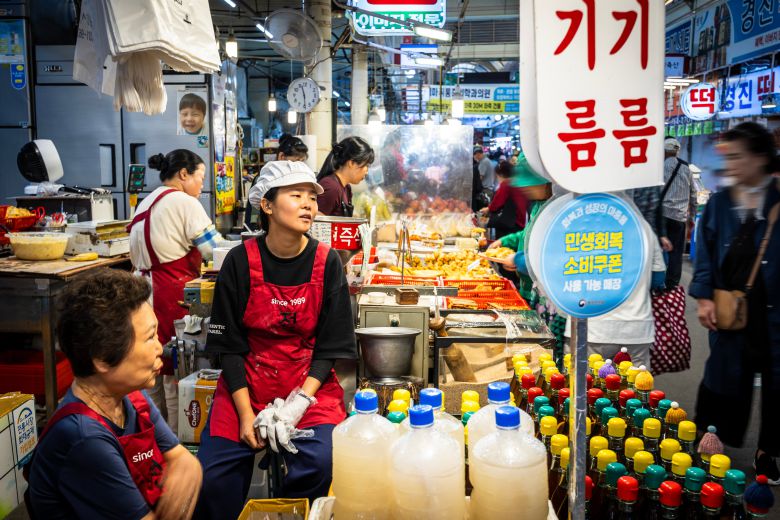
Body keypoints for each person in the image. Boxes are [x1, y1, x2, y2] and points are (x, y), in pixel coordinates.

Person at [194, 161, 357, 518]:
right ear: (266, 205)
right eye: (295, 195)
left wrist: (298, 404)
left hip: (308, 385)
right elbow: (229, 348)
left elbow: (331, 345)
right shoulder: (238, 263)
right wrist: (244, 414)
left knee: (321, 462)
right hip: (246, 383)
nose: (308, 204)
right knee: (212, 478)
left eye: (311, 197)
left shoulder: (327, 262)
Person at [27, 269, 202, 520]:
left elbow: (185, 462)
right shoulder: (84, 438)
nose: (158, 348)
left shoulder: (131, 398)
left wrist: (187, 470)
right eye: (150, 337)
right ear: (102, 358)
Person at [690, 122, 780, 484]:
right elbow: (706, 252)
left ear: (760, 158)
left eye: (738, 156)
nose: (731, 164)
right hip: (731, 304)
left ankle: (767, 452)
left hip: (774, 309)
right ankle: (715, 438)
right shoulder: (720, 202)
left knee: (776, 384)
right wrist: (704, 296)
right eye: (728, 157)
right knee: (724, 376)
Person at [128, 150, 223, 433]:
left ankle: (152, 438)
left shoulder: (146, 201)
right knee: (176, 370)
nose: (201, 186)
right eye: (200, 178)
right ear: (184, 174)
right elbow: (214, 250)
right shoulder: (183, 201)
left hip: (142, 293)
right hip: (172, 293)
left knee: (151, 370)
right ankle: (176, 442)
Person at [564, 217, 667, 369]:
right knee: (633, 388)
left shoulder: (579, 222)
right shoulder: (642, 225)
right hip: (635, 328)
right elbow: (658, 277)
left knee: (586, 389)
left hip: (589, 327)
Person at [246, 134, 309, 231]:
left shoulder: (297, 180)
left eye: (302, 161)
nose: (299, 166)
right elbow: (253, 218)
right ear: (282, 156)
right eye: (296, 161)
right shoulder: (265, 179)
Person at [660, 137, 696, 289]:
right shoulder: (687, 169)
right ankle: (672, 285)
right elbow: (693, 195)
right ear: (677, 151)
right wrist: (692, 216)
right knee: (676, 254)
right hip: (679, 218)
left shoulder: (659, 168)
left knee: (658, 249)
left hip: (662, 216)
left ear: (664, 151)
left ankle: (657, 282)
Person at [316, 136, 375, 217]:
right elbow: (316, 224)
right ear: (351, 163)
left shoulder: (346, 188)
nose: (367, 171)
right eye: (366, 165)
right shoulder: (331, 187)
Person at [481, 160, 529, 239]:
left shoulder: (506, 184)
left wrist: (488, 208)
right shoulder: (519, 182)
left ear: (500, 175)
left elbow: (497, 202)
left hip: (509, 224)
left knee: (504, 246)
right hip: (520, 221)